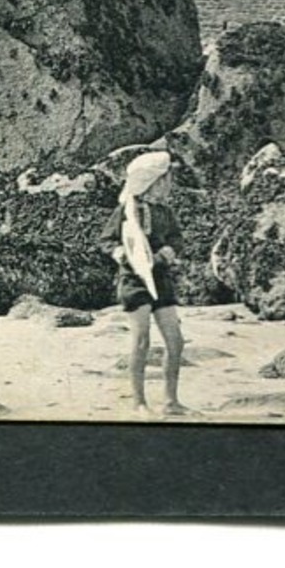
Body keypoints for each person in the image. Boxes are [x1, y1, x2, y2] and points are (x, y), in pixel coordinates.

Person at [98, 150, 187, 417]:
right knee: (142, 340)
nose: (170, 183)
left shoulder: (165, 211)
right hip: (134, 279)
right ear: (154, 181)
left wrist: (167, 252)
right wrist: (121, 253)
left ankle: (170, 401)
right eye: (166, 178)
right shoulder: (126, 210)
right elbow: (107, 240)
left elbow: (176, 240)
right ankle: (138, 402)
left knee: (176, 341)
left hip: (160, 279)